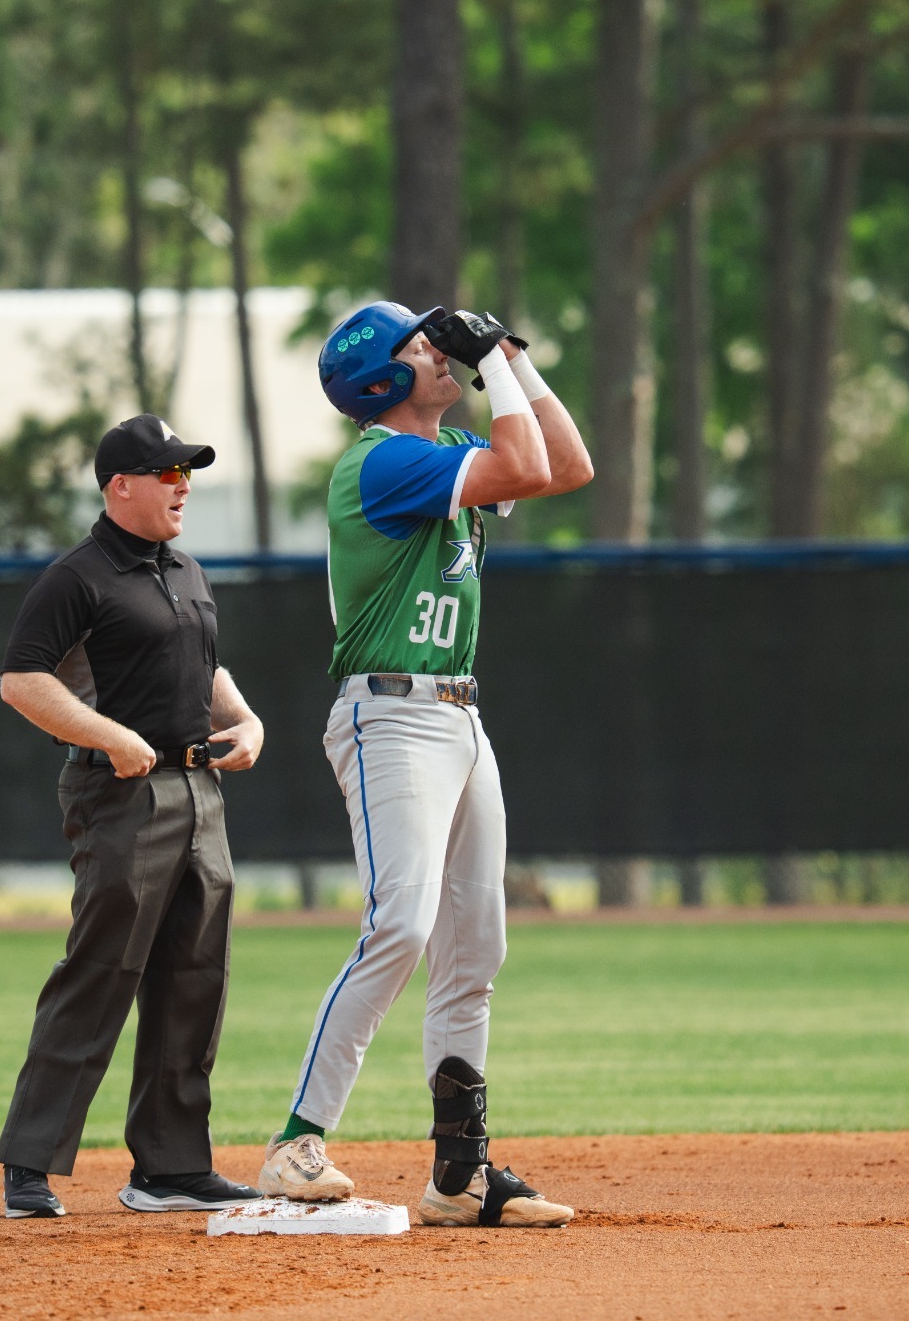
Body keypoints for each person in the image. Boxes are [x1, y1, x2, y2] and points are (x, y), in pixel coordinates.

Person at [255, 303, 593, 1227]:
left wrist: (512, 358)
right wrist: (491, 363)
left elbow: (569, 464)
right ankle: (296, 1141)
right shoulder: (384, 459)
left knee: (475, 946)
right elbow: (526, 463)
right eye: (416, 348)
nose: (437, 354)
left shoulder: (441, 455)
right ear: (381, 382)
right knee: (399, 924)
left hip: (458, 715)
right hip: (390, 717)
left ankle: (460, 1176)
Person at [0, 414, 266, 1220]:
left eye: (188, 471)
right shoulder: (78, 576)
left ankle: (171, 1168)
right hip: (120, 796)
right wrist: (110, 736)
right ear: (121, 485)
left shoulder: (182, 568)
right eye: (168, 471)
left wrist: (245, 721)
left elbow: (203, 663)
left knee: (195, 980)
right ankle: (30, 1164)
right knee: (100, 971)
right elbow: (21, 680)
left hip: (199, 792)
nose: (183, 483)